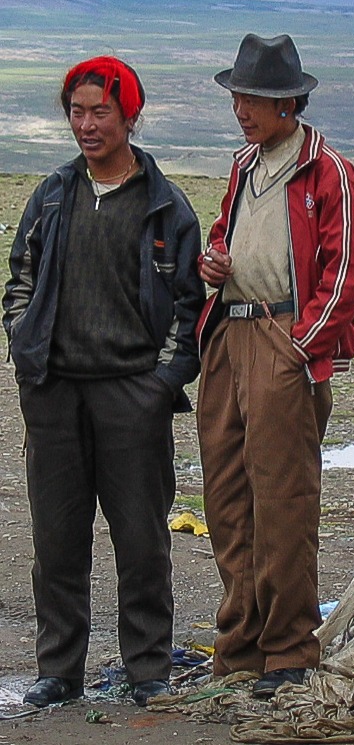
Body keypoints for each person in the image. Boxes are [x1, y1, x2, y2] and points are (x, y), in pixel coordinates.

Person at [2, 56, 205, 708]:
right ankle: (58, 669)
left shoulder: (166, 206)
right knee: (57, 540)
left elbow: (191, 307)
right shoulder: (54, 194)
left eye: (101, 111)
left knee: (142, 541)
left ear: (129, 115)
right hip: (56, 392)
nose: (87, 124)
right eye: (77, 111)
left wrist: (161, 383)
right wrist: (29, 357)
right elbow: (21, 281)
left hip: (131, 394)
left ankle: (148, 669)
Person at [196, 33, 354, 700]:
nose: (243, 108)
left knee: (282, 499)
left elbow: (351, 267)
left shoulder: (329, 170)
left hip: (281, 336)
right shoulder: (244, 167)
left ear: (288, 103)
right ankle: (240, 642)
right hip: (229, 335)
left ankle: (288, 647)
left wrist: (305, 343)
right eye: (239, 95)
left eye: (256, 98)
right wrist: (213, 259)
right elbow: (223, 234)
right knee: (227, 496)